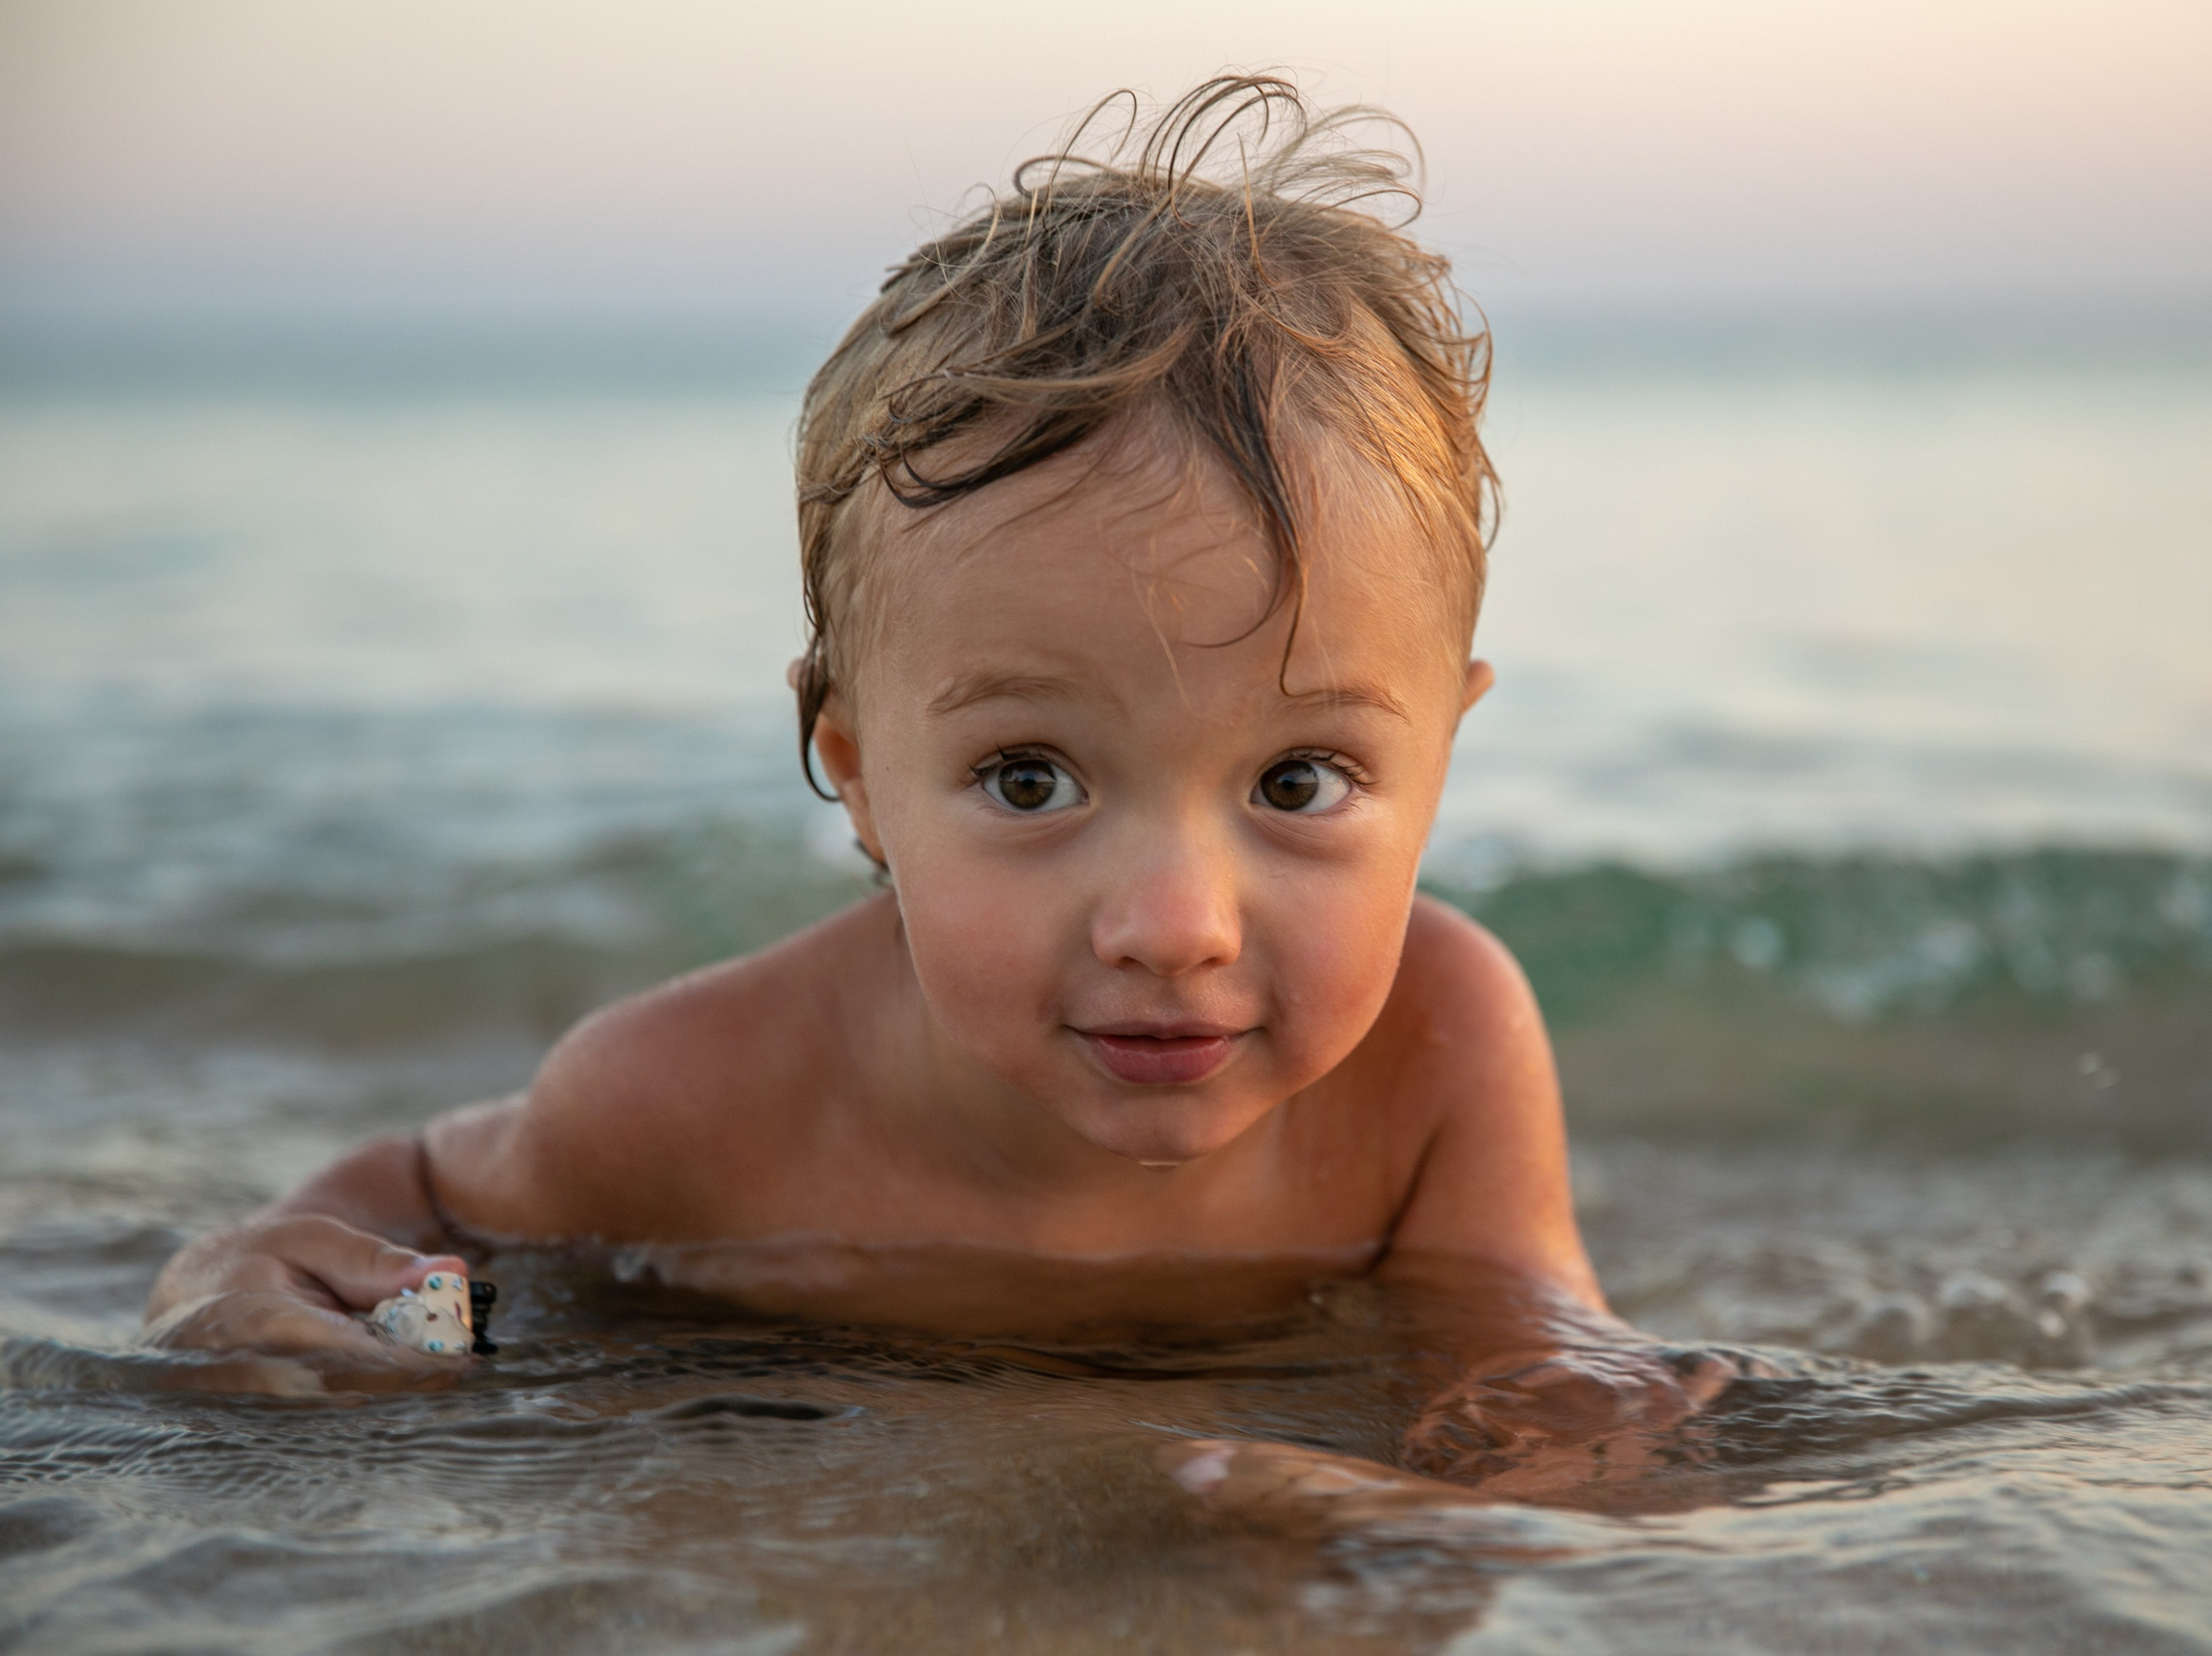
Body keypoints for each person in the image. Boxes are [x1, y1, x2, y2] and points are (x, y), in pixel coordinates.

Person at [142, 76, 1751, 1520]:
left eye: (1298, 778)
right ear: (857, 773)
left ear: (1441, 761)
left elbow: (1531, 1345)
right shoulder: (695, 1098)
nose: (1175, 925)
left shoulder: (1440, 1055)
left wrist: (1495, 1463)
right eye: (1029, 778)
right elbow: (426, 1198)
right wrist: (253, 1265)